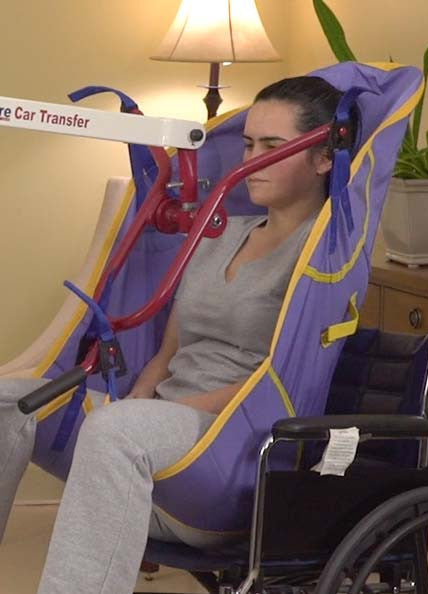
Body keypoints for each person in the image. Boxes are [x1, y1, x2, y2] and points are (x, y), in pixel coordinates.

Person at [0, 76, 356, 594]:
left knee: (116, 431)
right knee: (9, 402)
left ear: (324, 157)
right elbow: (170, 349)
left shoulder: (321, 258)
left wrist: (152, 415)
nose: (252, 161)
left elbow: (279, 379)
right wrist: (139, 400)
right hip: (161, 425)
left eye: (272, 147)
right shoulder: (219, 235)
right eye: (248, 145)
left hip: (233, 443)